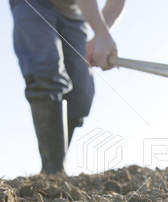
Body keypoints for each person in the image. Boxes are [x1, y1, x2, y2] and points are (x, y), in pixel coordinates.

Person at [9, 0, 125, 174]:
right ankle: (53, 171)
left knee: (81, 93)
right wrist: (101, 33)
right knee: (46, 69)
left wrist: (100, 36)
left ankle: (56, 165)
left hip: (73, 13)